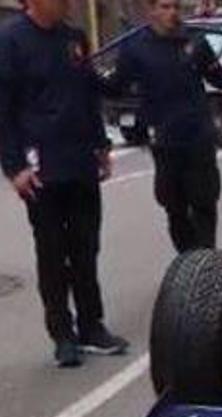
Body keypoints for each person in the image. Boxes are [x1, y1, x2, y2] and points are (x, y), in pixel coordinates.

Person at [0, 0, 129, 367]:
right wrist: (14, 167)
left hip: (80, 161)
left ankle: (92, 326)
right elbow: (3, 110)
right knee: (53, 255)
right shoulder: (11, 41)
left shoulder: (74, 38)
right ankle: (63, 335)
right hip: (41, 169)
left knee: (87, 249)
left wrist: (101, 145)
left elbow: (88, 95)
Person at [102, 0, 222, 253]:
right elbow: (115, 87)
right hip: (165, 140)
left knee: (204, 203)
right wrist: (84, 73)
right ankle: (187, 262)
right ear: (151, 11)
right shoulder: (135, 48)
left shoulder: (195, 41)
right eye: (165, 7)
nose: (172, 13)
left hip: (199, 136)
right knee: (174, 207)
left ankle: (206, 262)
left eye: (175, 7)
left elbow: (219, 78)